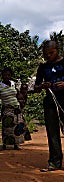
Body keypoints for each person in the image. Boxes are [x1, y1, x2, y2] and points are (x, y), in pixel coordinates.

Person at [34, 40, 64, 171]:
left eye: (51, 53)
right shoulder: (42, 68)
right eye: (45, 54)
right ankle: (55, 162)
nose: (48, 56)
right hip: (50, 102)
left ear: (58, 50)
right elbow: (35, 87)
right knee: (52, 133)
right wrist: (42, 86)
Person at [0, 67, 24, 150]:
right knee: (7, 127)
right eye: (5, 75)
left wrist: (21, 101)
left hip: (16, 108)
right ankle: (5, 144)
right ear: (2, 76)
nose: (7, 76)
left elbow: (18, 95)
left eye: (9, 75)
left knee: (17, 126)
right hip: (6, 108)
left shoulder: (13, 84)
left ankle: (16, 144)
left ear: (11, 76)